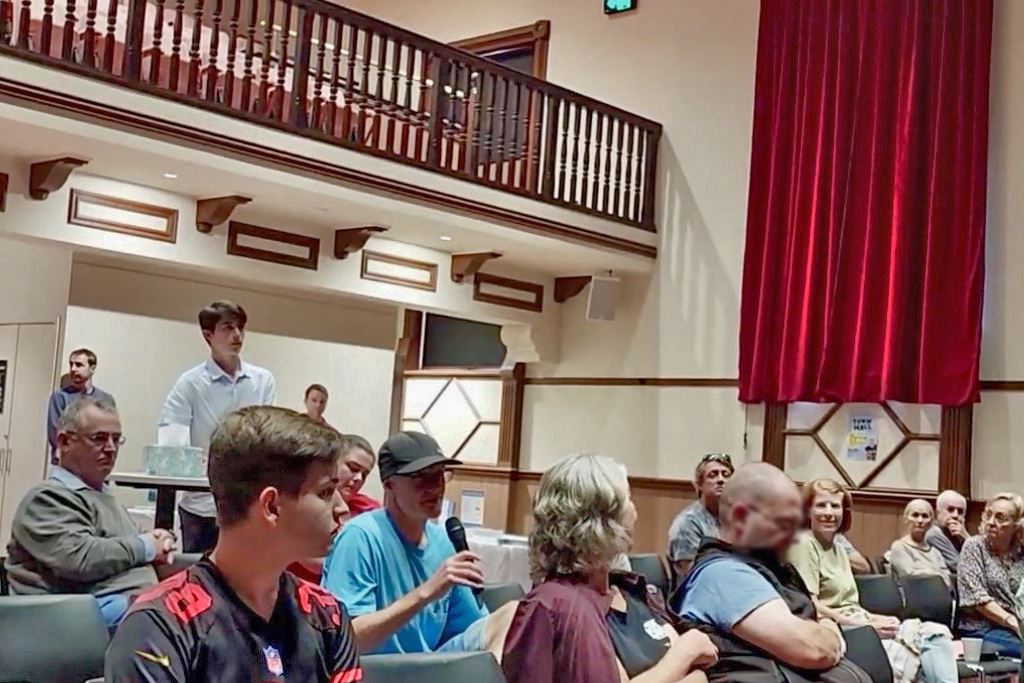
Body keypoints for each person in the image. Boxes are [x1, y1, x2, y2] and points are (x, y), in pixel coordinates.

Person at [105, 406, 361, 683]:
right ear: (271, 506)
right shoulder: (158, 625)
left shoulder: (328, 615)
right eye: (326, 492)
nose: (342, 509)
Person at [502, 453, 717, 683]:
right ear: (602, 520)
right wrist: (685, 653)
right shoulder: (558, 607)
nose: (635, 511)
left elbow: (701, 670)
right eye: (628, 499)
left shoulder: (630, 590)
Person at [676, 463, 868, 682]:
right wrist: (830, 631)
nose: (795, 533)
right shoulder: (723, 575)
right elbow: (814, 650)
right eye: (785, 520)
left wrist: (824, 627)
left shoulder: (768, 567)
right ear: (741, 517)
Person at [323, 431, 507, 655]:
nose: (436, 487)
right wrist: (426, 593)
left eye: (439, 475)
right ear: (389, 484)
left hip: (429, 666)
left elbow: (473, 626)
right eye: (420, 477)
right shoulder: (360, 537)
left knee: (511, 615)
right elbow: (347, 638)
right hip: (376, 669)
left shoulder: (442, 541)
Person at [6, 398, 173, 627]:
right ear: (64, 441)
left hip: (126, 610)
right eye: (99, 438)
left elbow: (127, 546)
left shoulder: (100, 495)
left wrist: (161, 544)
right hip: (72, 622)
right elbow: (81, 559)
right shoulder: (46, 499)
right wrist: (146, 546)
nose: (111, 448)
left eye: (116, 439)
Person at [789, 478, 957, 683]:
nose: (829, 513)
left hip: (859, 621)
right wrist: (865, 624)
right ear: (807, 511)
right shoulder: (804, 545)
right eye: (821, 505)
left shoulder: (839, 549)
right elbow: (811, 606)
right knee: (916, 658)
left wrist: (875, 618)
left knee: (936, 633)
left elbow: (848, 603)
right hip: (837, 631)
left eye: (835, 506)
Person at [159, 300, 276, 553]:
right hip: (201, 502)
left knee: (244, 572)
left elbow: (267, 439)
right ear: (208, 335)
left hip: (247, 503)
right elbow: (171, 444)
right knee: (198, 570)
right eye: (228, 327)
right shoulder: (190, 383)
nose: (237, 335)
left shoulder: (262, 380)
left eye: (240, 327)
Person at [956, 492, 1024, 658]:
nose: (991, 522)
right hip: (982, 628)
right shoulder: (974, 546)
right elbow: (978, 598)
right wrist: (1013, 622)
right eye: (988, 515)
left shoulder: (1020, 550)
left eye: (1001, 518)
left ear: (1016, 525)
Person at [667, 453, 734, 575]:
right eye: (713, 475)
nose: (721, 480)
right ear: (699, 485)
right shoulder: (688, 523)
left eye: (726, 475)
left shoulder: (736, 519)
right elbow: (691, 574)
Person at [46, 348, 116, 464]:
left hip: (95, 462)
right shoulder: (60, 397)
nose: (73, 369)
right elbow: (56, 432)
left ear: (92, 369)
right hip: (67, 462)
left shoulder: (105, 399)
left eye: (79, 365)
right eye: (71, 364)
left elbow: (110, 430)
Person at [888, 499, 952, 587]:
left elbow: (948, 580)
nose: (920, 520)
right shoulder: (899, 547)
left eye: (925, 516)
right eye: (915, 515)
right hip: (910, 594)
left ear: (931, 522)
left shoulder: (935, 552)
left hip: (937, 593)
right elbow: (909, 575)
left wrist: (925, 572)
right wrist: (935, 574)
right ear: (906, 519)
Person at [925, 490, 968, 580]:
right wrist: (967, 539)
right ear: (938, 512)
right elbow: (960, 567)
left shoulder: (958, 534)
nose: (955, 515)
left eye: (960, 511)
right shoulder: (933, 534)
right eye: (950, 510)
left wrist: (965, 537)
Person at [339, 434, 382, 516]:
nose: (359, 478)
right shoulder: (312, 505)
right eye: (353, 468)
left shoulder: (370, 512)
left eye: (364, 475)